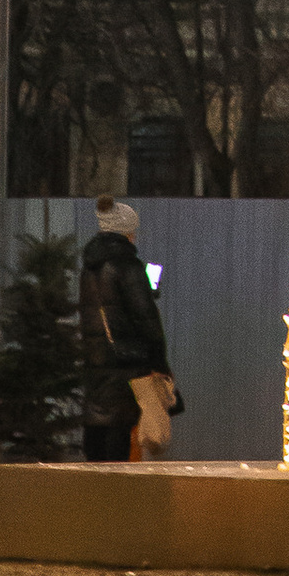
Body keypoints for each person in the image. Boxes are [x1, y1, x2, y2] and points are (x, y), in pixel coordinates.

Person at [78, 198, 175, 465]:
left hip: (96, 358)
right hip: (127, 361)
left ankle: (93, 490)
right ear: (126, 231)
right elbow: (145, 318)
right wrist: (159, 362)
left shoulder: (89, 268)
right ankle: (116, 493)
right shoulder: (127, 265)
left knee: (98, 421)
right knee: (120, 427)